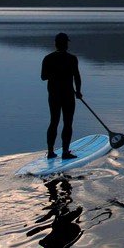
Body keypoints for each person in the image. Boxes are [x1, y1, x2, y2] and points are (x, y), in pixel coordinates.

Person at [41, 32, 83, 160]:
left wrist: (54, 73)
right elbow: (77, 76)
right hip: (68, 95)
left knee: (54, 122)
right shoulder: (72, 58)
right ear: (65, 44)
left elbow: (43, 77)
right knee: (67, 123)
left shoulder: (48, 58)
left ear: (55, 44)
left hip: (54, 95)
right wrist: (79, 91)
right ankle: (65, 152)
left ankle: (50, 152)